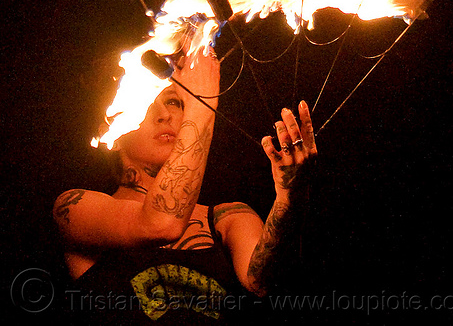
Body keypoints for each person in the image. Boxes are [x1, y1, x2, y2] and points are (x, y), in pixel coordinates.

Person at [53, 47, 317, 324]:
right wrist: (202, 104)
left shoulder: (226, 217)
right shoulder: (76, 207)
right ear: (114, 128)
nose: (164, 115)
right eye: (145, 102)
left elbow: (261, 283)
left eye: (175, 103)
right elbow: (160, 223)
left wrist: (289, 198)